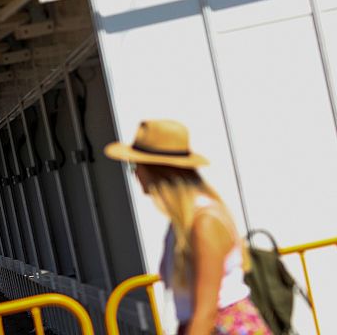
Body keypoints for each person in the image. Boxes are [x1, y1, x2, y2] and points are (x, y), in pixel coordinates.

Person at [105, 120, 270, 335]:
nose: (135, 174)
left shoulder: (204, 222)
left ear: (156, 170)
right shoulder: (184, 222)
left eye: (136, 166)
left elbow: (206, 311)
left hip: (221, 327)